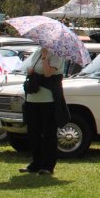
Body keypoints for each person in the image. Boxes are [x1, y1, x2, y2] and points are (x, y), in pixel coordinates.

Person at [20, 46, 63, 176]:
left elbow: (48, 73)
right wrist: (30, 71)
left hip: (48, 100)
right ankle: (36, 163)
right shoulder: (37, 51)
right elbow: (29, 69)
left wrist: (45, 56)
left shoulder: (56, 53)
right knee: (33, 132)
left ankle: (48, 166)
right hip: (33, 98)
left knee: (48, 133)